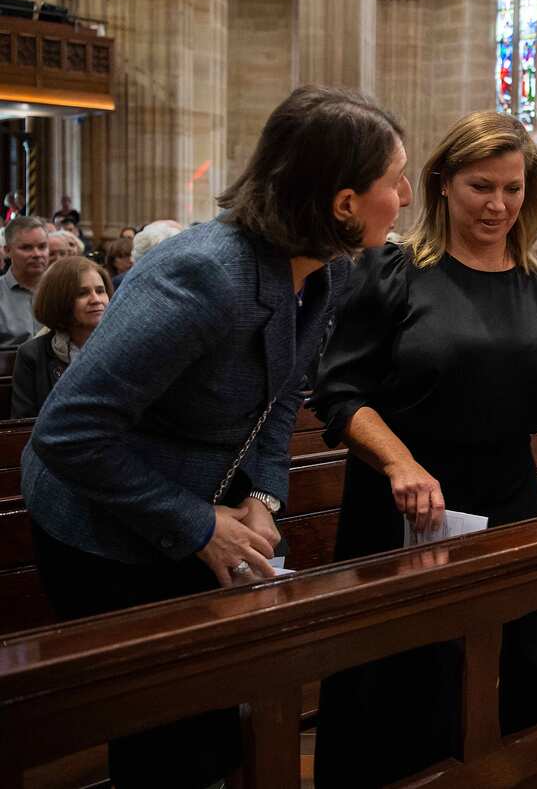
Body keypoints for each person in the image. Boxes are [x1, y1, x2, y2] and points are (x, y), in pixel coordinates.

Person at [21, 85, 402, 788]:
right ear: (343, 202)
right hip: (98, 526)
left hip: (200, 501)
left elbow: (285, 390)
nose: (406, 194)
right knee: (166, 738)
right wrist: (199, 524)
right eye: (393, 181)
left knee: (211, 724)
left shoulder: (325, 271)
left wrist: (264, 493)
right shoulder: (205, 275)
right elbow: (67, 432)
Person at [312, 110, 537, 787]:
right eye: (481, 186)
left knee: (531, 663)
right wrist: (399, 461)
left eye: (513, 188)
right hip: (408, 505)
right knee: (413, 688)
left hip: (510, 499)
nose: (499, 205)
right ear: (442, 183)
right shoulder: (392, 271)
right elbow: (338, 393)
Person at [10, 256, 112, 418]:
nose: (96, 300)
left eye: (100, 291)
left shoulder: (123, 346)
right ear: (59, 300)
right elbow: (24, 423)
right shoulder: (33, 354)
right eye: (82, 293)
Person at [0, 216, 49, 347]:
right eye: (26, 248)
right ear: (7, 251)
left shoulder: (63, 290)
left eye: (42, 246)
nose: (37, 254)